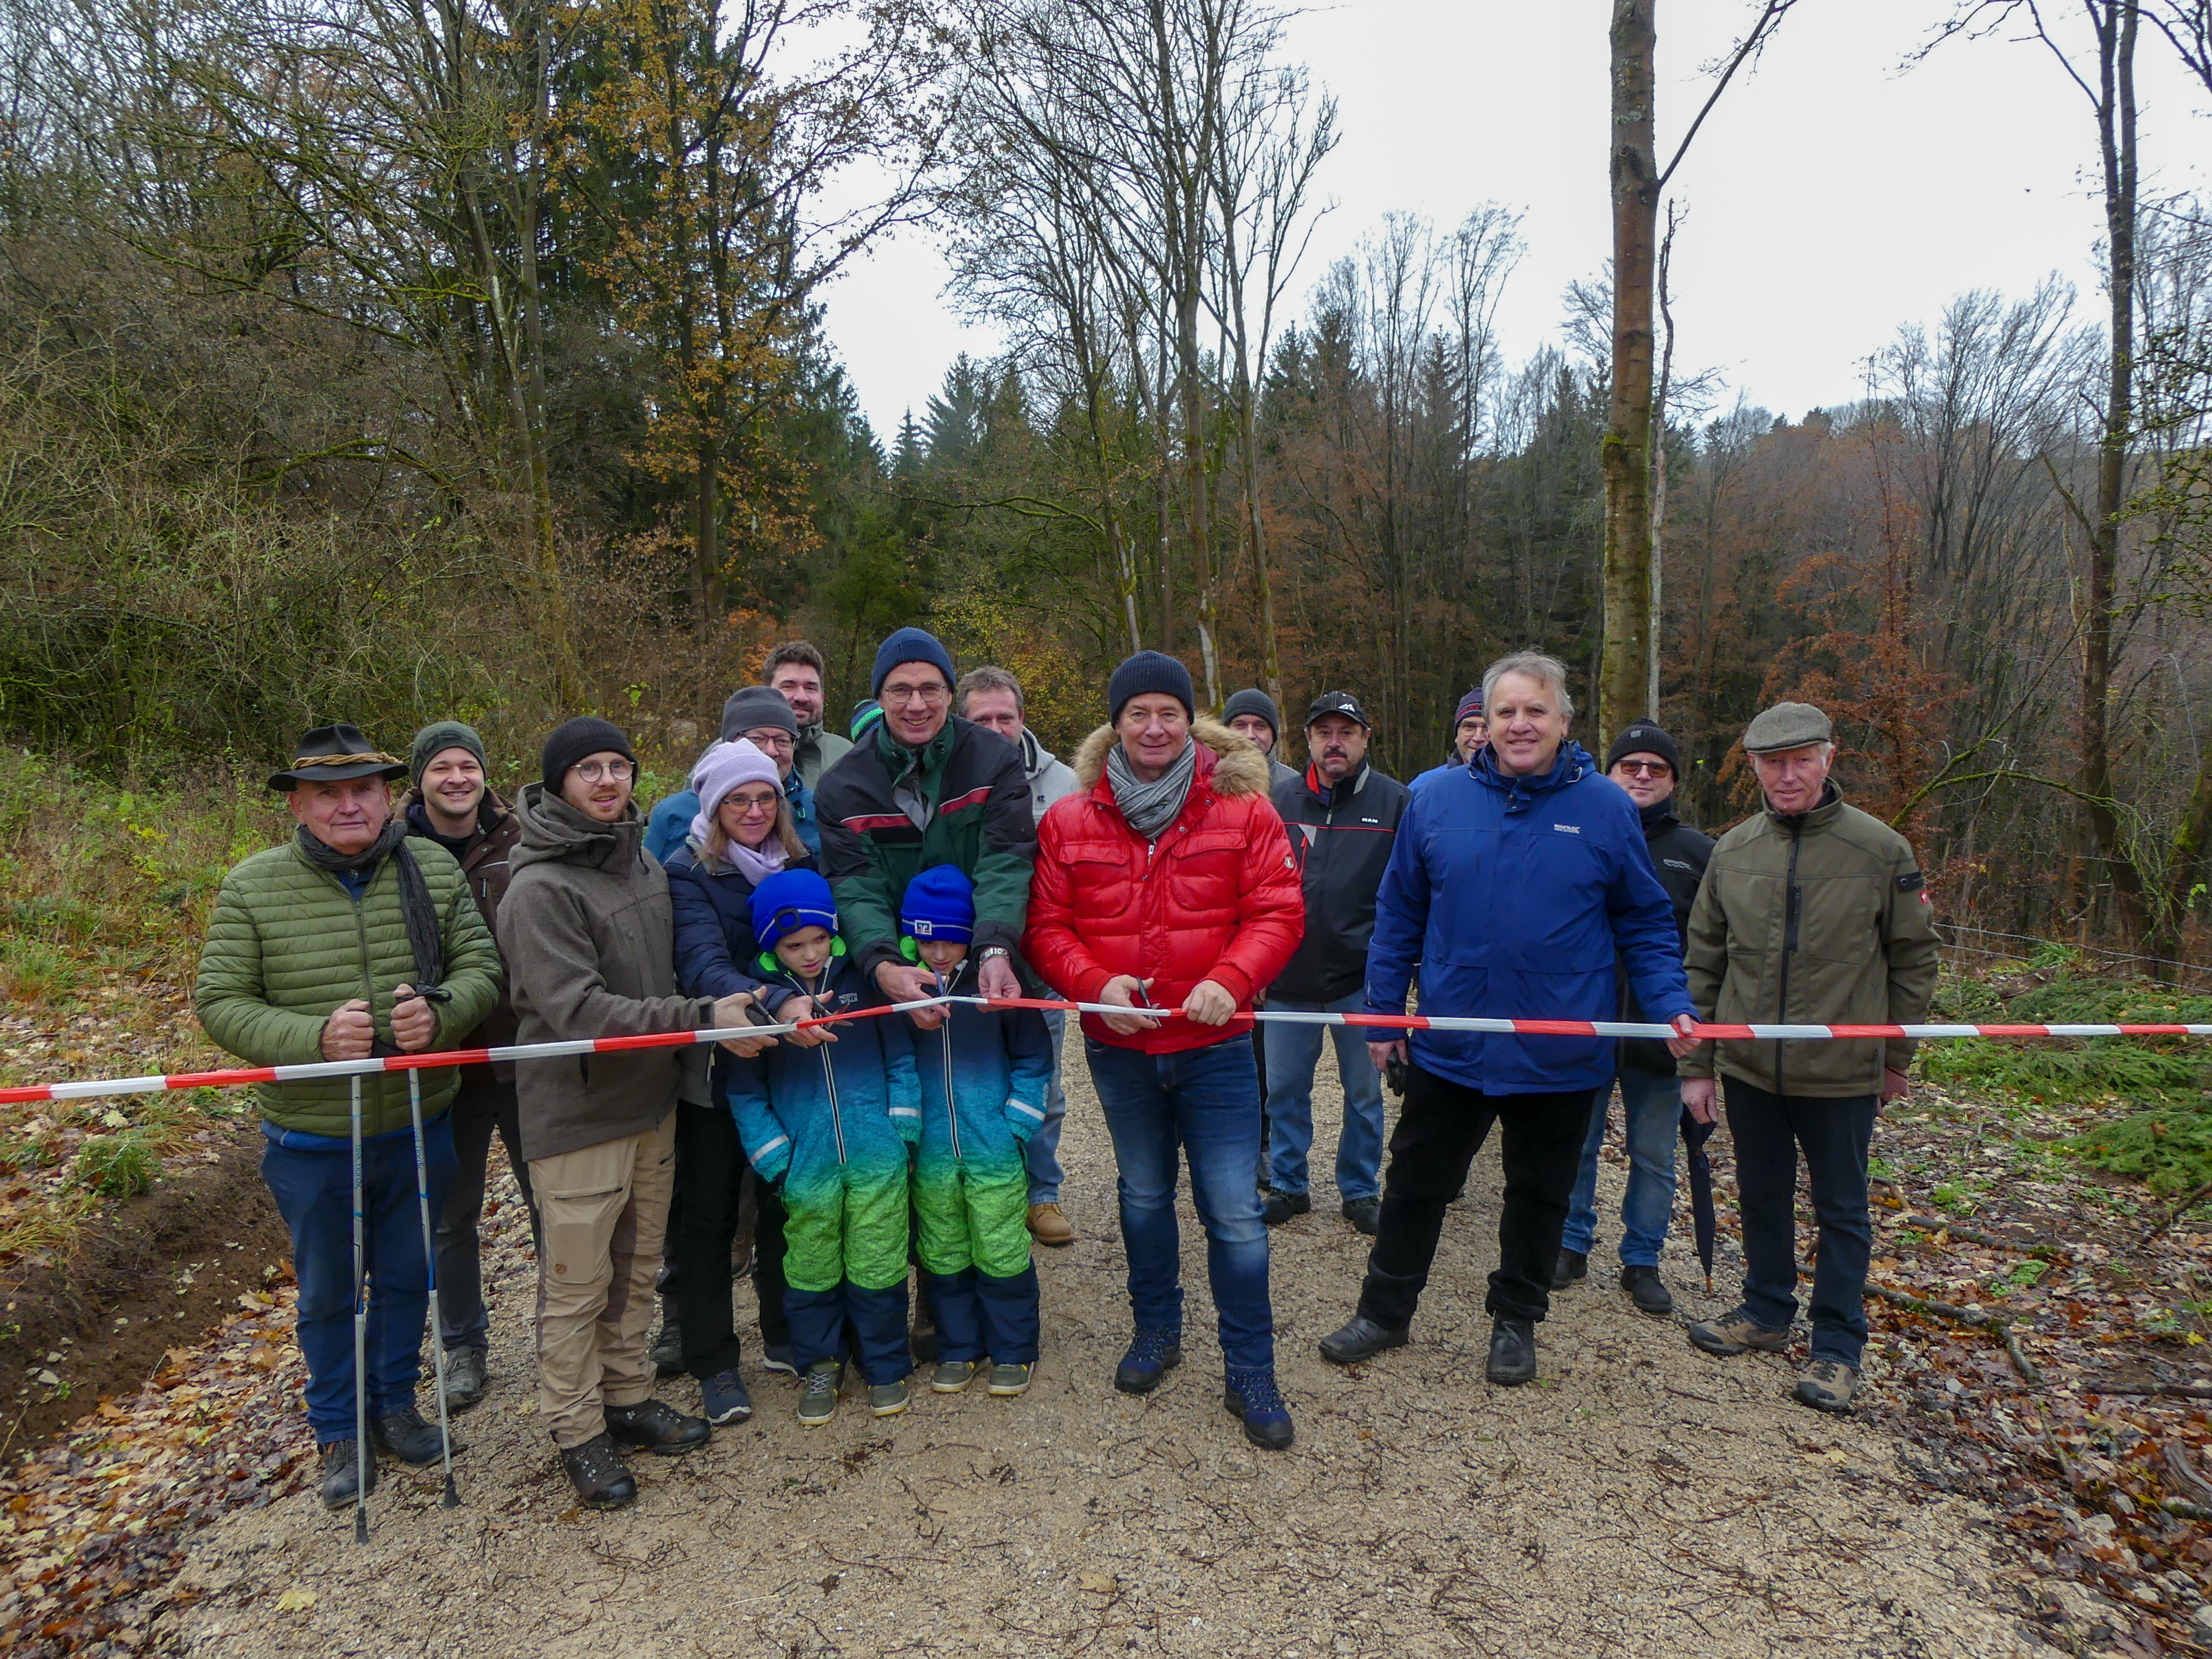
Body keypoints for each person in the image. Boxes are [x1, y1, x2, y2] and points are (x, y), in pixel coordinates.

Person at [1316, 652, 1699, 1388]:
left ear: (1563, 721)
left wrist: (1670, 1004)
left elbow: (1645, 924)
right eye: (1506, 712)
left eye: (1536, 711)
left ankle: (1516, 1320)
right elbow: (1397, 916)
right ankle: (1385, 1312)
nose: (1520, 725)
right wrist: (1383, 1019)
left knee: (1539, 1195)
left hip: (1560, 1055)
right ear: (1483, 724)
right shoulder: (1434, 799)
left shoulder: (1606, 808)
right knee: (1416, 1185)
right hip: (1453, 1045)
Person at [195, 723, 501, 1510]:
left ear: (385, 795)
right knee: (330, 1292)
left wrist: (442, 1019)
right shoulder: (252, 886)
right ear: (297, 805)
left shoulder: (430, 866)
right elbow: (221, 1003)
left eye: (362, 789)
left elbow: (480, 969)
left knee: (407, 1276)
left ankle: (394, 1405)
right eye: (327, 793)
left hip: (416, 1118)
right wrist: (315, 1039)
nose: (348, 806)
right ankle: (337, 1430)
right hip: (312, 1135)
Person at [1025, 651, 1304, 1450]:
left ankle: (1250, 1368)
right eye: (1138, 713)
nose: (1154, 727)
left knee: (1235, 1214)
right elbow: (1048, 927)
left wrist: (1233, 975)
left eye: (1169, 713)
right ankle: (1158, 1332)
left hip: (1218, 1046)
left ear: (1191, 722)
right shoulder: (1071, 818)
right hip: (1121, 1048)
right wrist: (1093, 981)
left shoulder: (1244, 809)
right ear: (1116, 722)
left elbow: (1280, 912)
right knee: (1144, 1195)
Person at [501, 716, 761, 1508]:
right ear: (559, 786)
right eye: (590, 771)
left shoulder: (644, 862)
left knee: (637, 1271)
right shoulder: (538, 888)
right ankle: (577, 1431)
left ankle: (625, 1395)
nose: (609, 782)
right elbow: (578, 1011)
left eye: (620, 767)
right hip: (578, 1116)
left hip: (653, 1108)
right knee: (577, 1283)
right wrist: (699, 1016)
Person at [1681, 702, 1939, 1414]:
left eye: (1800, 760)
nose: (1786, 776)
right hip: (1750, 1070)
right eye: (1772, 763)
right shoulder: (1731, 851)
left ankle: (1837, 1348)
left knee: (1841, 1209)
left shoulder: (1880, 851)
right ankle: (1765, 1313)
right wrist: (1696, 1065)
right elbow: (1701, 965)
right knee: (1760, 1195)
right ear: (1753, 767)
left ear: (1829, 758)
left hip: (1842, 1074)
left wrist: (1896, 1058)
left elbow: (1913, 960)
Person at [664, 739, 828, 1422]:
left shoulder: (798, 862)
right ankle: (713, 1360)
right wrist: (773, 997)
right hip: (715, 1067)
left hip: (785, 1062)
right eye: (738, 800)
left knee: (782, 1201)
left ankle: (783, 1331)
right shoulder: (686, 871)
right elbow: (700, 960)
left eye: (765, 797)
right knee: (706, 1215)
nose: (755, 810)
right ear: (714, 805)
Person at [727, 869, 921, 1426]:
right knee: (810, 1266)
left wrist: (901, 1131)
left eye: (819, 939)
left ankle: (884, 1363)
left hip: (877, 1155)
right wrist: (777, 1161)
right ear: (771, 946)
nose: (810, 954)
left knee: (880, 1259)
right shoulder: (755, 1001)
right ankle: (820, 1364)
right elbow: (744, 1091)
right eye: (794, 946)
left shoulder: (861, 976)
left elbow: (901, 1059)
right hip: (805, 1165)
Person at [1554, 719, 1713, 1316]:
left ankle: (1642, 1259)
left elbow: (1711, 952)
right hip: (1586, 1027)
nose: (1642, 776)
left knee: (1655, 1155)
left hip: (1662, 1040)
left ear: (1672, 781)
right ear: (1611, 771)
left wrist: (1700, 1040)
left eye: (1656, 768)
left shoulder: (1698, 853)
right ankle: (1570, 1245)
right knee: (1579, 1146)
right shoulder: (1577, 832)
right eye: (1630, 766)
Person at [399, 721, 530, 1412]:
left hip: (526, 1050)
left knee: (551, 1202)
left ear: (484, 773)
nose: (457, 779)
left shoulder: (523, 840)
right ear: (420, 779)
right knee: (452, 1217)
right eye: (442, 768)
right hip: (444, 1065)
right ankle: (463, 1349)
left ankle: (568, 1332)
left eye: (467, 766)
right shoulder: (396, 854)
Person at [815, 627, 1035, 1032]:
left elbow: (1005, 865)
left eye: (930, 689)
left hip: (984, 961)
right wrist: (883, 967)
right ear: (880, 698)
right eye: (900, 690)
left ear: (950, 695)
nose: (916, 705)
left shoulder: (996, 763)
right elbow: (856, 889)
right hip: (899, 978)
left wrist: (994, 949)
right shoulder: (841, 789)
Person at [1260, 692, 1408, 1237]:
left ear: (1366, 738)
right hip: (1287, 976)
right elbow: (1252, 887)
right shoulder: (1278, 801)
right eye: (1324, 732)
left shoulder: (1396, 804)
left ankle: (1361, 1189)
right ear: (1308, 740)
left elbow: (1410, 892)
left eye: (1346, 731)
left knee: (1364, 1094)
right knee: (1283, 1090)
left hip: (1362, 979)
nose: (1335, 742)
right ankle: (1288, 1184)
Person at [901, 866, 1052, 1399]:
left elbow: (1034, 1058)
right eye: (927, 941)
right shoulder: (904, 987)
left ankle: (1013, 1350)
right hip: (933, 1154)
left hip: (993, 1147)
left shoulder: (999, 984)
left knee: (1002, 1246)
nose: (939, 954)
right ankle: (959, 1347)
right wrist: (908, 1141)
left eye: (950, 940)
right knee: (943, 1250)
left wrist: (1016, 1127)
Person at [955, 664, 1079, 1247]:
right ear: (962, 723)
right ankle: (978, 1193)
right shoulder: (948, 777)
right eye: (983, 719)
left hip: (1038, 963)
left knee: (1043, 1083)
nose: (996, 727)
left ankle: (1041, 1193)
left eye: (1006, 716)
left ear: (1023, 719)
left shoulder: (1065, 784)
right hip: (958, 960)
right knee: (965, 1082)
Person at [646, 686, 820, 862]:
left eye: (783, 741)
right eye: (757, 739)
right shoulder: (674, 813)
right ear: (729, 743)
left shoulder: (815, 809)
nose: (771, 750)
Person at [764, 640, 853, 790]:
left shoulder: (849, 757)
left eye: (810, 688)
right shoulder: (732, 751)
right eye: (788, 686)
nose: (801, 697)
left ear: (822, 697)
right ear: (765, 694)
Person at [1224, 687, 1301, 791]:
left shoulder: (1297, 788)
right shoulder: (1204, 782)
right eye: (1240, 725)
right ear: (1225, 731)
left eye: (1260, 726)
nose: (1250, 735)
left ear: (1273, 736)